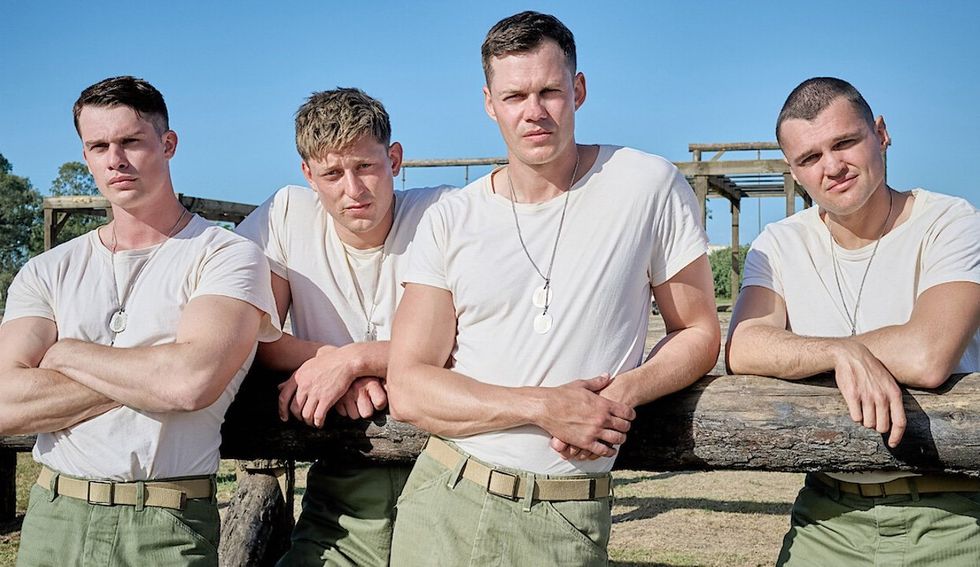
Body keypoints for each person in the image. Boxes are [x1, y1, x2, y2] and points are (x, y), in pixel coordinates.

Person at [386, 11, 720, 566]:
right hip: (445, 498)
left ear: (579, 89)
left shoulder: (646, 184)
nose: (534, 111)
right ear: (489, 103)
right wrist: (544, 407)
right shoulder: (451, 218)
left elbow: (699, 331)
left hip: (565, 514)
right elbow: (409, 386)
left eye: (550, 91)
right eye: (514, 96)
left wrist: (622, 395)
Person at [0, 76, 280, 566]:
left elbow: (190, 382)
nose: (115, 159)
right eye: (99, 146)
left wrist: (64, 354)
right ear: (86, 156)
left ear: (168, 144)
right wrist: (155, 371)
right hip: (53, 516)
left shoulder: (224, 255)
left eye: (131, 141)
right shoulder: (48, 269)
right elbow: (5, 404)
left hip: (165, 520)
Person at [726, 77, 980, 566]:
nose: (832, 167)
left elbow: (928, 354)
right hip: (828, 515)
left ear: (880, 133)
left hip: (953, 510)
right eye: (810, 157)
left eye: (844, 142)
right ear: (793, 171)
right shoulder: (779, 244)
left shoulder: (951, 222)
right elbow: (743, 345)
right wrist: (838, 351)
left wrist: (821, 350)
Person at [236, 87, 454, 567]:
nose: (353, 189)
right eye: (332, 174)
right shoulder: (285, 215)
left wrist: (356, 361)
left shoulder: (445, 213)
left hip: (448, 473)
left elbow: (470, 339)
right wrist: (331, 364)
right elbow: (257, 334)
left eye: (365, 167)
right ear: (308, 175)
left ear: (394, 159)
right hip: (340, 488)